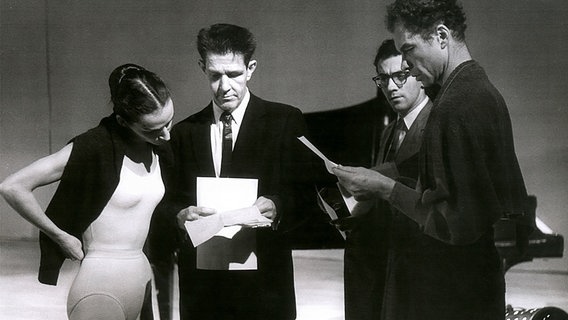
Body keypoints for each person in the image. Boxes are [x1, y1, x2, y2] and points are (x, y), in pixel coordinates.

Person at [332, 0, 532, 319]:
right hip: (472, 289)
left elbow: (449, 223)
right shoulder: (479, 90)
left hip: (451, 296)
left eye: (408, 50)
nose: (407, 66)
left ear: (441, 36)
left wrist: (385, 187)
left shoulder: (456, 105)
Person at [159, 23, 315, 320]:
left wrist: (278, 205)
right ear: (202, 67)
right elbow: (164, 202)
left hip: (266, 286)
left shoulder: (285, 121)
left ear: (251, 68)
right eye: (215, 75)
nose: (224, 86)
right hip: (202, 289)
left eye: (233, 74)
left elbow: (307, 196)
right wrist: (179, 215)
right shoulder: (183, 133)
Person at [0, 63, 174, 320]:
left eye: (169, 121)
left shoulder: (156, 148)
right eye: (153, 130)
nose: (167, 135)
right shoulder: (93, 146)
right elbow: (13, 187)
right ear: (122, 121)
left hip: (140, 278)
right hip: (99, 289)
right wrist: (61, 237)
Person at [333, 38, 432, 320]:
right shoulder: (391, 130)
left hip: (420, 259)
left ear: (420, 75)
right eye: (383, 78)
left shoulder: (437, 123)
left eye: (400, 76)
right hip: (390, 253)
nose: (390, 87)